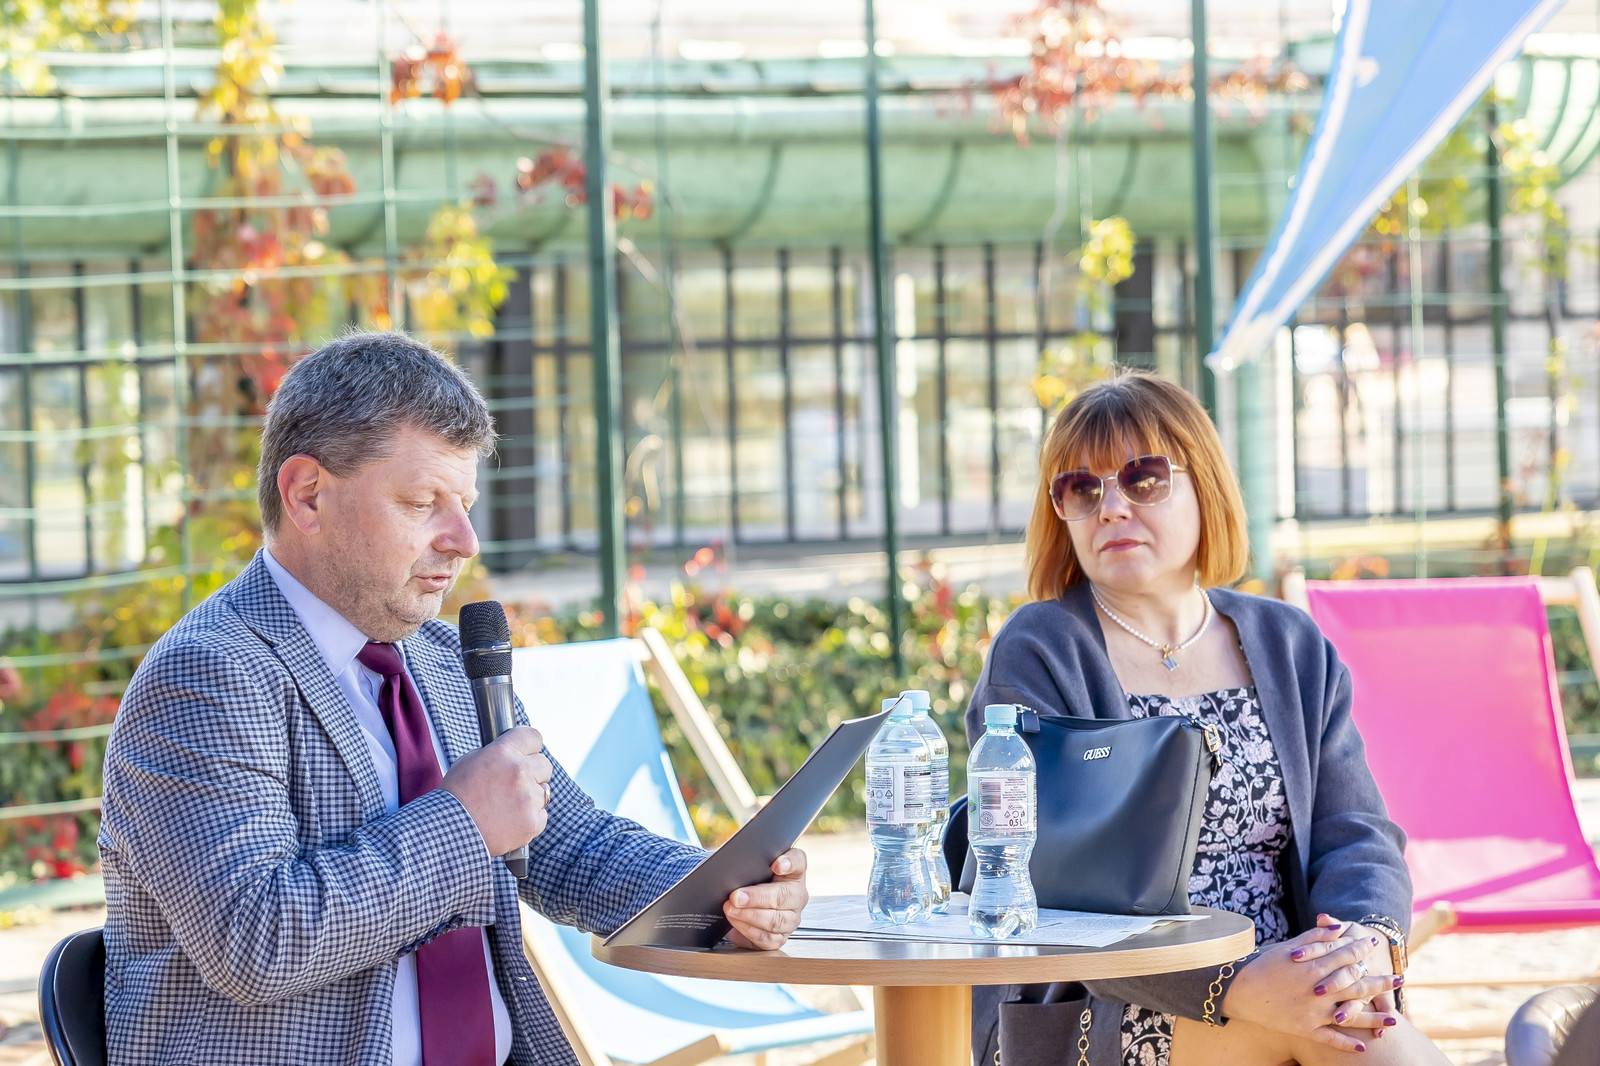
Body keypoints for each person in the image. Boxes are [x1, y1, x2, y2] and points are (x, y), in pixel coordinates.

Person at [98, 331, 808, 1066]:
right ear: (307, 495)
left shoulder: (444, 660)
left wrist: (727, 892)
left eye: (465, 503)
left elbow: (572, 848)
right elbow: (256, 940)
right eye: (422, 502)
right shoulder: (207, 675)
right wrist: (465, 823)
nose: (464, 540)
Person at [965, 369, 1450, 1066]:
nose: (1111, 508)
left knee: (1348, 1023)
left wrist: (1360, 947)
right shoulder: (1041, 651)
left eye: (1144, 479)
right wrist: (1235, 985)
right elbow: (1047, 884)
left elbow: (1357, 834)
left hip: (1296, 977)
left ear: (1207, 490)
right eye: (1081, 489)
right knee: (1347, 1038)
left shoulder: (1289, 643)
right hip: (1103, 998)